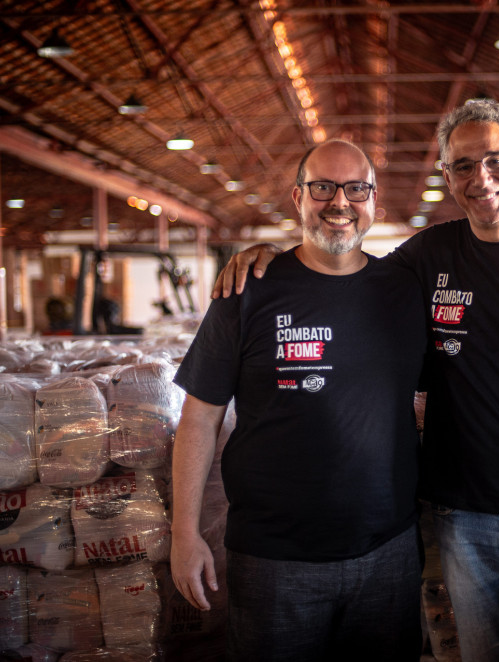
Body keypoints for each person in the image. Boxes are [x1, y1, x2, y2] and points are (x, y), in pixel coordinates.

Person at [214, 100, 499, 661]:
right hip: (463, 519)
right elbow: (344, 262)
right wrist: (273, 256)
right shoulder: (429, 255)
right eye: (463, 166)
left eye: (494, 160)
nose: (480, 179)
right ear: (448, 177)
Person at [171, 139, 427, 661]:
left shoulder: (404, 291)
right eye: (323, 188)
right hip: (274, 559)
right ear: (298, 197)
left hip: (388, 552)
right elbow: (198, 419)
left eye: (356, 189)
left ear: (374, 201)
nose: (340, 203)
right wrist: (185, 532)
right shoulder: (248, 291)